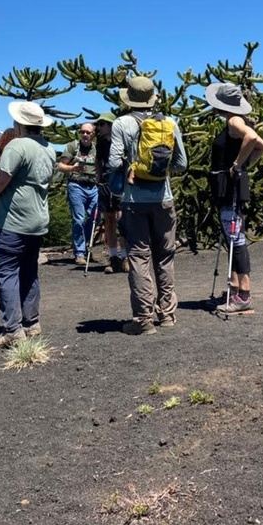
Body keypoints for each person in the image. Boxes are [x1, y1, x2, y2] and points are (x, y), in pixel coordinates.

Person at [108, 76, 188, 334]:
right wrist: (159, 172)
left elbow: (113, 162)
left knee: (140, 258)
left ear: (129, 98)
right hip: (164, 199)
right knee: (165, 256)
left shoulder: (122, 123)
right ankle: (167, 315)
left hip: (134, 201)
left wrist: (133, 169)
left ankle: (143, 319)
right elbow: (182, 164)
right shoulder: (170, 123)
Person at [0, 101, 57, 347]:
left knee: (6, 272)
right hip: (37, 221)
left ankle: (13, 330)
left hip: (13, 221)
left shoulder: (16, 146)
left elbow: (1, 178)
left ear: (19, 123)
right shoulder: (48, 148)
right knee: (29, 271)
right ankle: (32, 323)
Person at [205, 82, 263, 314]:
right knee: (232, 235)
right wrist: (245, 165)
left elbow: (251, 137)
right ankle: (234, 288)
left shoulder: (233, 120)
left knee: (235, 238)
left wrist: (237, 165)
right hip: (230, 186)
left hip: (229, 188)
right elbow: (261, 146)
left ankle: (243, 295)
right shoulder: (233, 120)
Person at [56, 122, 98, 266]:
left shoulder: (97, 149)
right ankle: (80, 253)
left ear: (93, 134)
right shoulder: (73, 146)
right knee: (79, 218)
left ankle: (86, 247)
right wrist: (72, 167)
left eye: (88, 132)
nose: (85, 135)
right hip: (76, 185)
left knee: (94, 219)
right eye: (82, 132)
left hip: (94, 186)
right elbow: (60, 166)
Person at [94, 112, 128, 274]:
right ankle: (113, 257)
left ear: (110, 125)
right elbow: (98, 161)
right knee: (108, 219)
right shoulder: (100, 142)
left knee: (121, 219)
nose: (98, 127)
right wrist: (98, 177)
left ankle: (125, 256)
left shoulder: (120, 140)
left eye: (102, 124)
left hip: (120, 183)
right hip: (105, 183)